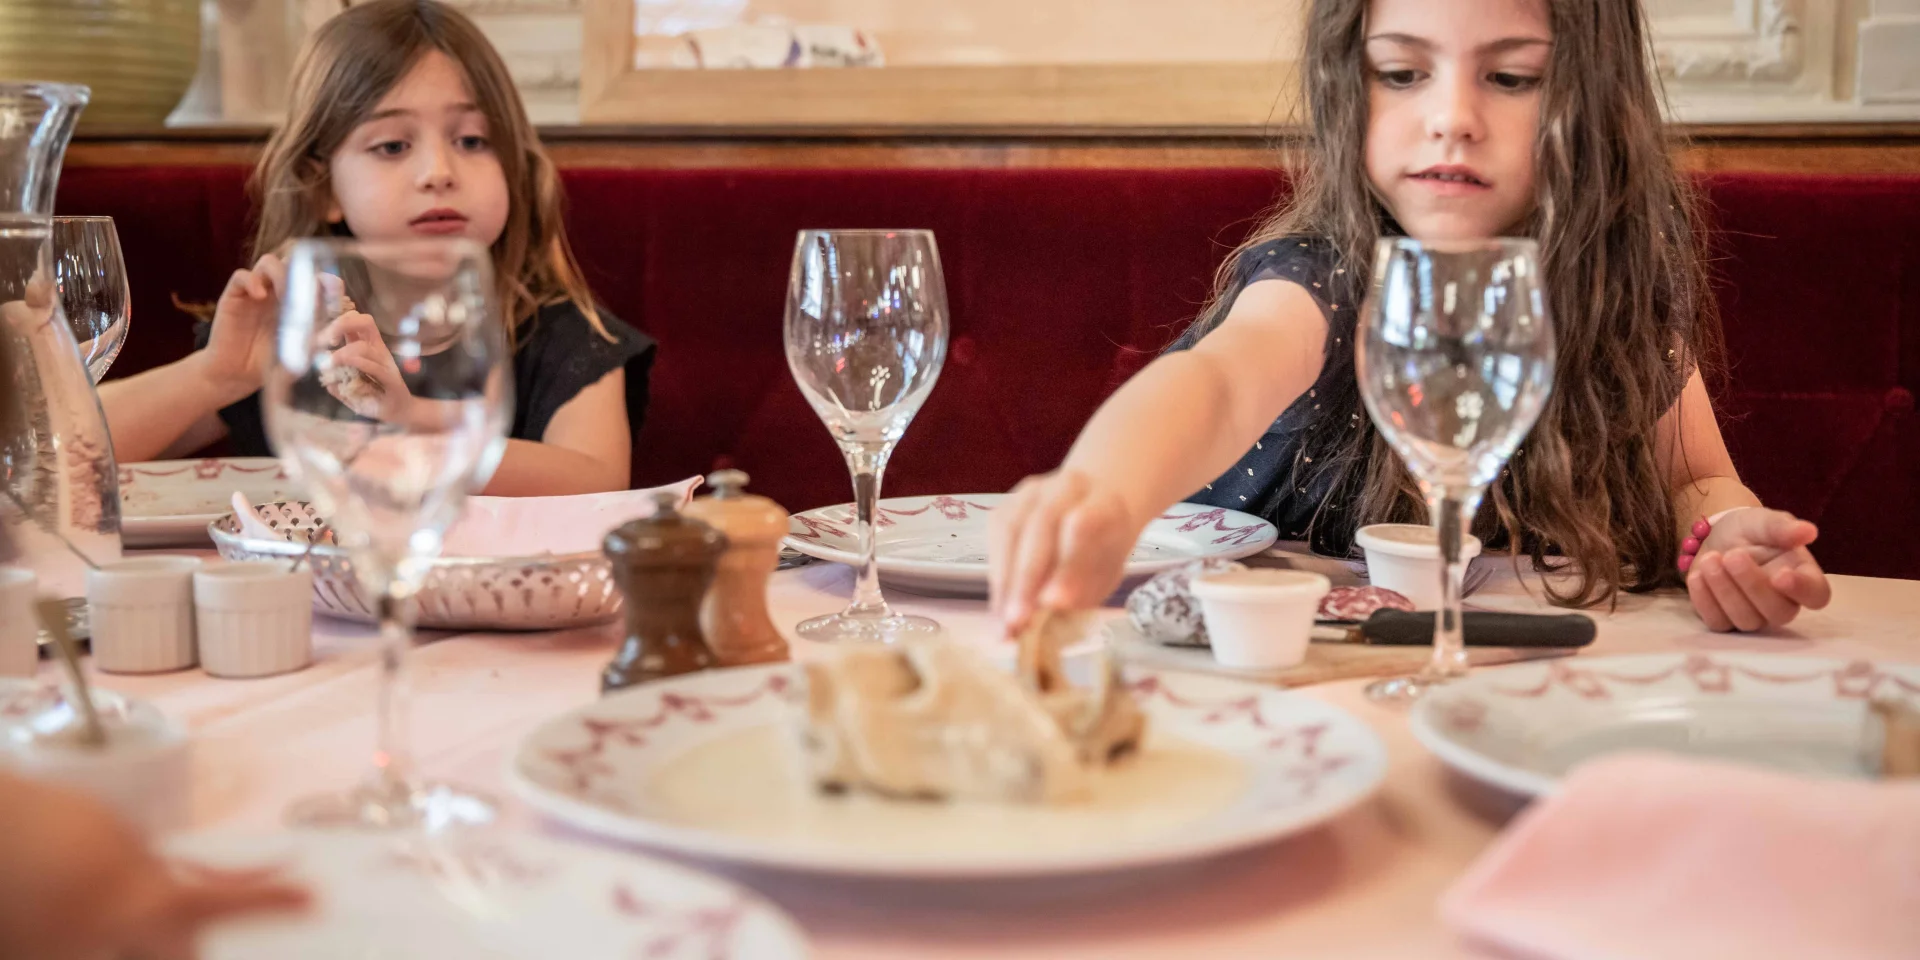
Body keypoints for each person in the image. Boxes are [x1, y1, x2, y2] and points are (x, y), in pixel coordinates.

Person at [988, 0, 1832, 634]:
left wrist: (1721, 534)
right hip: (1258, 670)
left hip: (1474, 684)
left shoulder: (1610, 294)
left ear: (1595, 103)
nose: (1452, 119)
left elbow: (1693, 475)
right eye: (1401, 72)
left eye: (1510, 78)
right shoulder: (1325, 279)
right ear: (1345, 87)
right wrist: (1100, 489)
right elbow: (1216, 382)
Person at [100, 0, 652, 496]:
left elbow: (597, 479)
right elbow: (63, 456)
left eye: (472, 141)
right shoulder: (292, 333)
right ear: (323, 190)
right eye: (392, 145)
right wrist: (212, 377)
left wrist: (409, 418)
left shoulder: (562, 331)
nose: (439, 172)